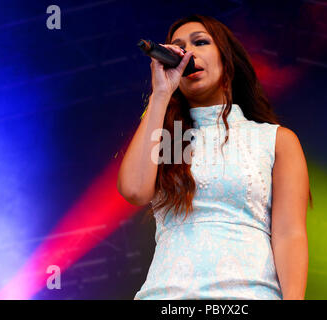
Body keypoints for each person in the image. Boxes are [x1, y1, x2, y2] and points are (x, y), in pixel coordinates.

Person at [117, 14, 311, 300]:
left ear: (227, 60)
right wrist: (161, 94)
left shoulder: (276, 140)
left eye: (200, 42)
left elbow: (289, 234)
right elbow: (133, 190)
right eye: (178, 47)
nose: (187, 53)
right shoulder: (170, 139)